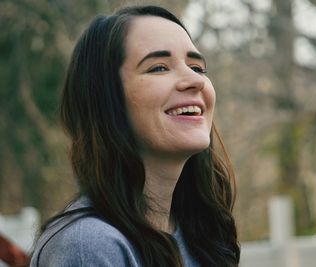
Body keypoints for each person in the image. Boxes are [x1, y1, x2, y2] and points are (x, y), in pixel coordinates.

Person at [30, 5, 240, 267]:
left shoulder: (199, 235)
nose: (195, 80)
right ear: (106, 100)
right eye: (159, 67)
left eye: (197, 67)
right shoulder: (90, 247)